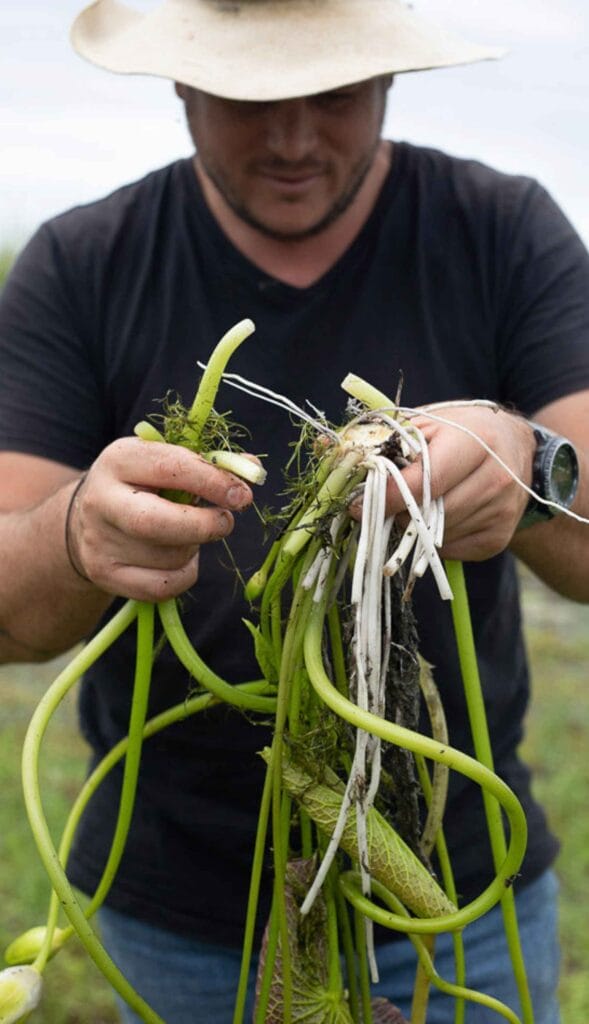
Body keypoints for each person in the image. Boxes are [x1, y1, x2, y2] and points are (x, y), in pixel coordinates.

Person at [1, 1, 588, 1021]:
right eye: (249, 98)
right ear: (181, 83)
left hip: (449, 891)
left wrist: (532, 464)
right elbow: (9, 607)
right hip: (178, 907)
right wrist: (77, 534)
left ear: (390, 82)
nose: (292, 136)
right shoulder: (83, 262)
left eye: (334, 92)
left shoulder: (501, 229)